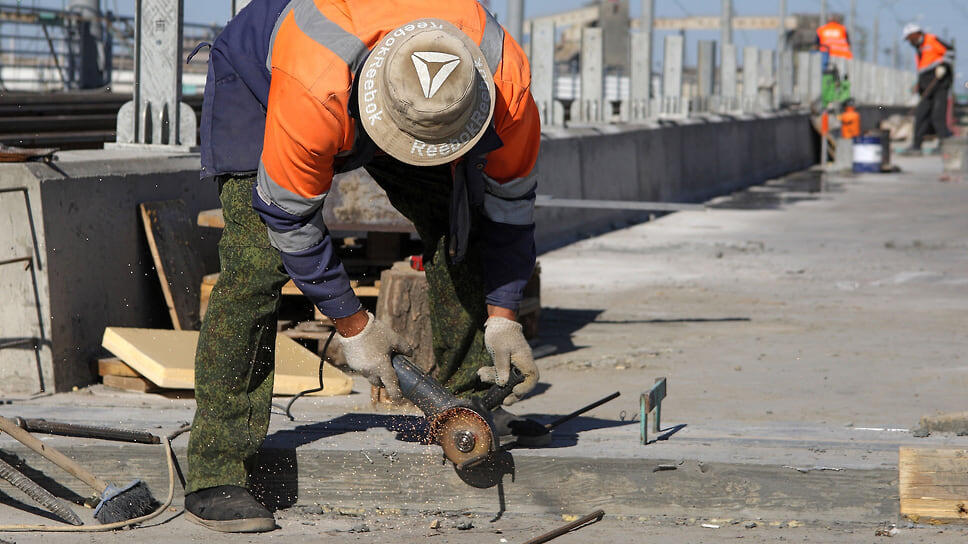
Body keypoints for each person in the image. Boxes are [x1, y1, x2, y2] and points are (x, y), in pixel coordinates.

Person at [185, 0, 544, 533]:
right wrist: (354, 326)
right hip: (262, 77)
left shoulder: (505, 84)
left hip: (398, 91)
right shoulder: (313, 84)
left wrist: (504, 314)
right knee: (256, 263)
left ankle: (467, 403)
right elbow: (289, 220)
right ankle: (217, 468)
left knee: (457, 219)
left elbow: (509, 211)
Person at [902, 23, 955, 154]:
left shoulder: (932, 40)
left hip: (940, 83)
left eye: (909, 38)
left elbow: (950, 52)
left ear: (916, 34)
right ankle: (916, 146)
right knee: (921, 115)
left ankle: (944, 144)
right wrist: (918, 84)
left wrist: (944, 66)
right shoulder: (919, 49)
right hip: (926, 86)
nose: (909, 42)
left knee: (938, 115)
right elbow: (923, 69)